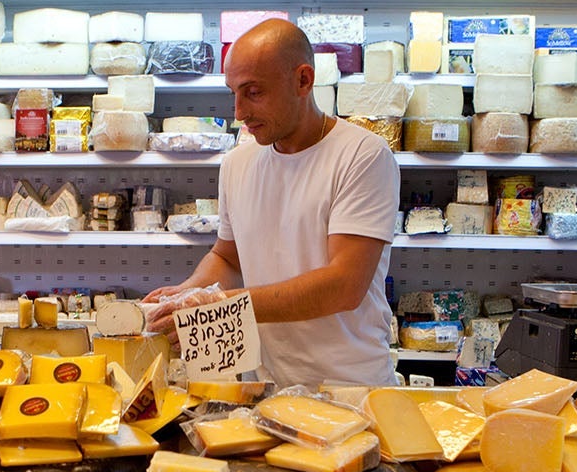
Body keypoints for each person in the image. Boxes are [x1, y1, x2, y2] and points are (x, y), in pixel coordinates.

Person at [144, 19, 400, 387]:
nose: (239, 113)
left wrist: (223, 306)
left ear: (303, 80)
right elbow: (227, 258)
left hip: (349, 389)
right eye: (233, 93)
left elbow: (345, 284)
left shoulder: (362, 155)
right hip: (265, 387)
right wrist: (191, 291)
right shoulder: (238, 163)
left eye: (253, 92)